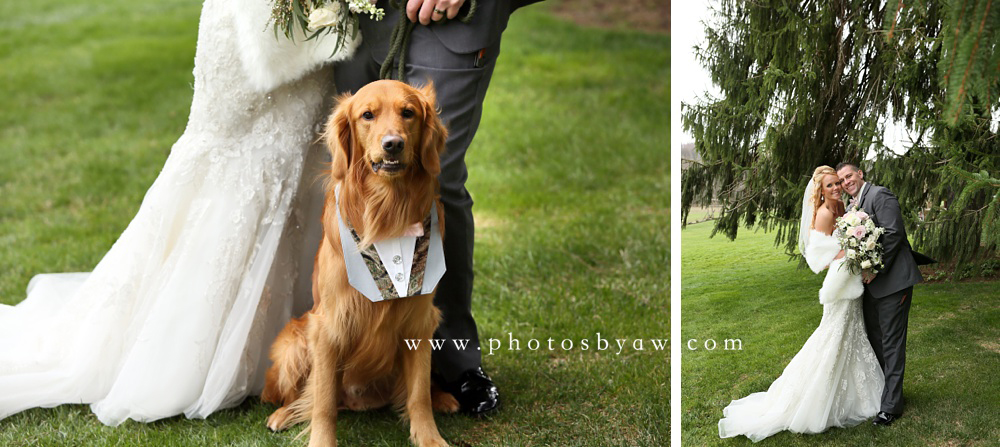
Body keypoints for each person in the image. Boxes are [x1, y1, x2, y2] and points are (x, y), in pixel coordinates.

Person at [0, 0, 359, 425]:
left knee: (293, 157)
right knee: (226, 154)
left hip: (310, 30)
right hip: (253, 19)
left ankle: (291, 334)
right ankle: (192, 341)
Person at [297, 0, 541, 415]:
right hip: (358, 18)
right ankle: (352, 356)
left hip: (453, 19)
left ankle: (453, 364)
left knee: (433, 177)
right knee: (356, 171)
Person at [718, 166, 884, 442]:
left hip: (851, 280)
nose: (835, 188)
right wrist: (855, 250)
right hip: (840, 285)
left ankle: (860, 396)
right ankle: (812, 400)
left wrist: (861, 244)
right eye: (830, 185)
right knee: (833, 336)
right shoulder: (824, 213)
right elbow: (819, 258)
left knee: (852, 336)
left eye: (837, 184)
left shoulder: (843, 205)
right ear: (820, 190)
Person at [836, 162, 922, 426]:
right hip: (869, 286)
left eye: (849, 176)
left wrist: (874, 269)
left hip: (892, 282)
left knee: (892, 343)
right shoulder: (853, 206)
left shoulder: (879, 195)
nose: (846, 182)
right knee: (876, 341)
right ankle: (886, 393)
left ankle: (891, 407)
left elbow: (894, 233)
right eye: (841, 180)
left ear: (860, 174)